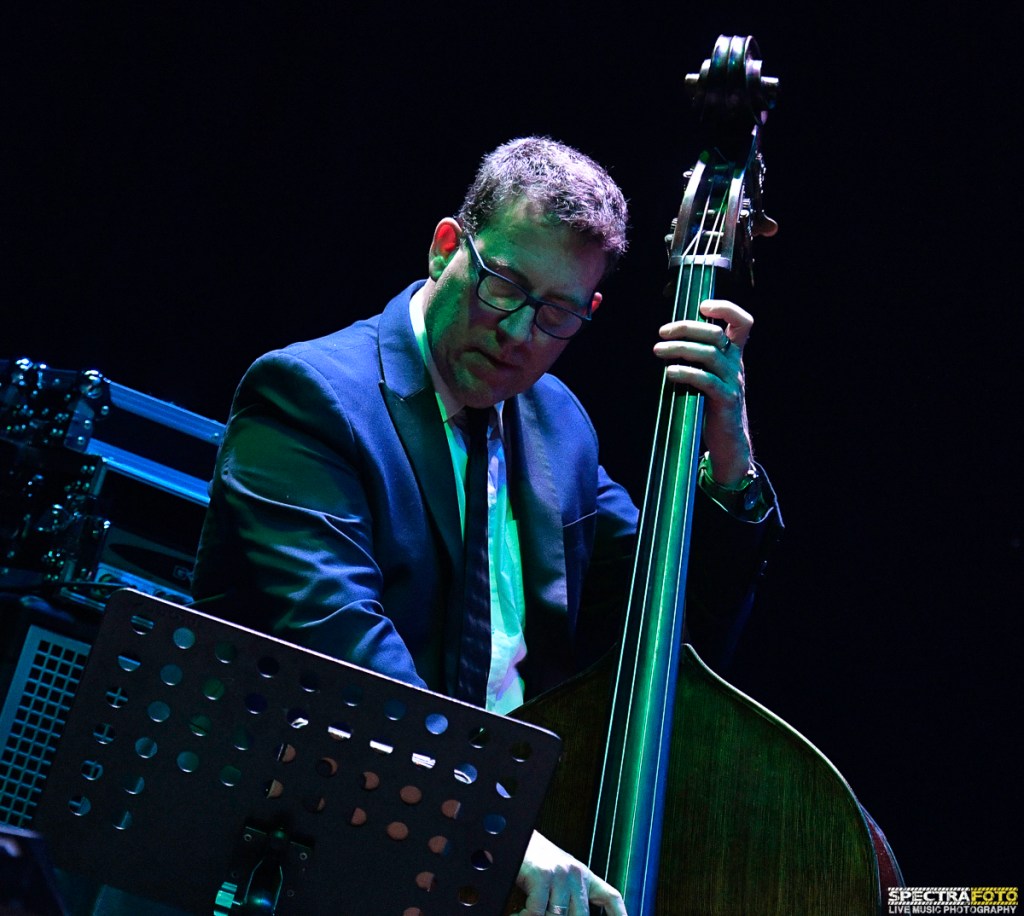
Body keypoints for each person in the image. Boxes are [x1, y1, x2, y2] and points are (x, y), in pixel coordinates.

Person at [192, 136, 781, 916]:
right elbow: (345, 655)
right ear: (447, 248)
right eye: (504, 286)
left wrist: (728, 452)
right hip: (302, 859)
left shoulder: (557, 426)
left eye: (557, 313)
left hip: (475, 876)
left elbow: (666, 625)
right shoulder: (310, 399)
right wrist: (493, 826)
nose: (518, 333)